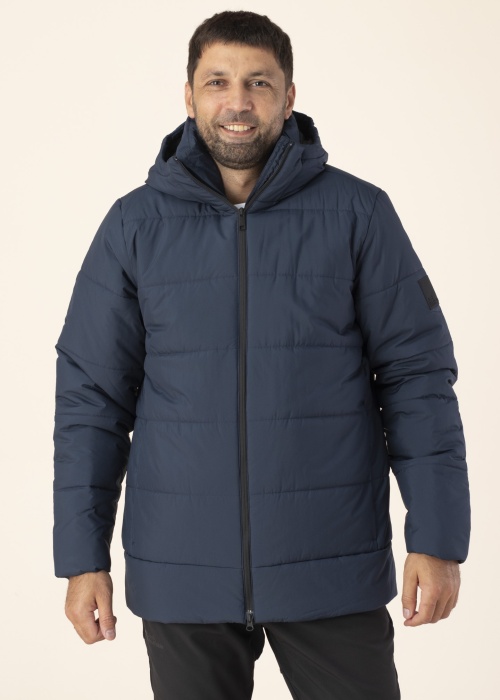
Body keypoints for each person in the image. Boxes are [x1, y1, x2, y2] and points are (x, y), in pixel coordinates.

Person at [53, 10, 471, 700]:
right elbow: (91, 401)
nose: (238, 101)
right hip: (183, 572)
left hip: (330, 567)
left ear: (289, 96)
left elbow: (417, 379)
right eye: (217, 82)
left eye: (258, 82)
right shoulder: (134, 226)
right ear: (189, 96)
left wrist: (438, 538)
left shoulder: (359, 215)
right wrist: (81, 558)